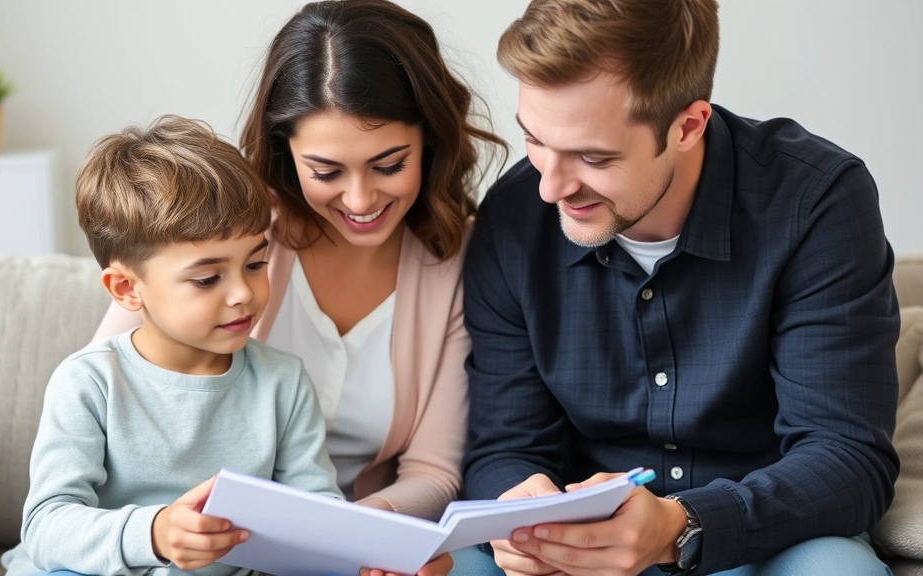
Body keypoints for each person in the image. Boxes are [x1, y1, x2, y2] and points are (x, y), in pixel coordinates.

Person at [461, 1, 901, 575]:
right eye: (535, 140)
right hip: (574, 549)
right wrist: (517, 506)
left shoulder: (815, 202)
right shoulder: (514, 217)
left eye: (593, 156)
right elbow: (504, 444)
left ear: (688, 125)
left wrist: (682, 525)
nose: (551, 187)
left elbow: (848, 458)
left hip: (760, 539)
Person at [92, 1, 506, 575]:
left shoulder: (460, 260)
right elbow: (108, 379)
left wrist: (363, 537)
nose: (360, 201)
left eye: (389, 165)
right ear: (286, 150)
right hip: (200, 545)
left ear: (429, 142)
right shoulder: (232, 234)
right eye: (327, 171)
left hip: (364, 534)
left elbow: (433, 474)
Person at [2, 116, 341, 576]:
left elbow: (317, 515)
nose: (243, 292)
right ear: (126, 289)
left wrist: (364, 553)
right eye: (207, 278)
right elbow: (46, 526)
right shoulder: (89, 383)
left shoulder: (283, 382)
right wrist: (156, 532)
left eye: (256, 264)